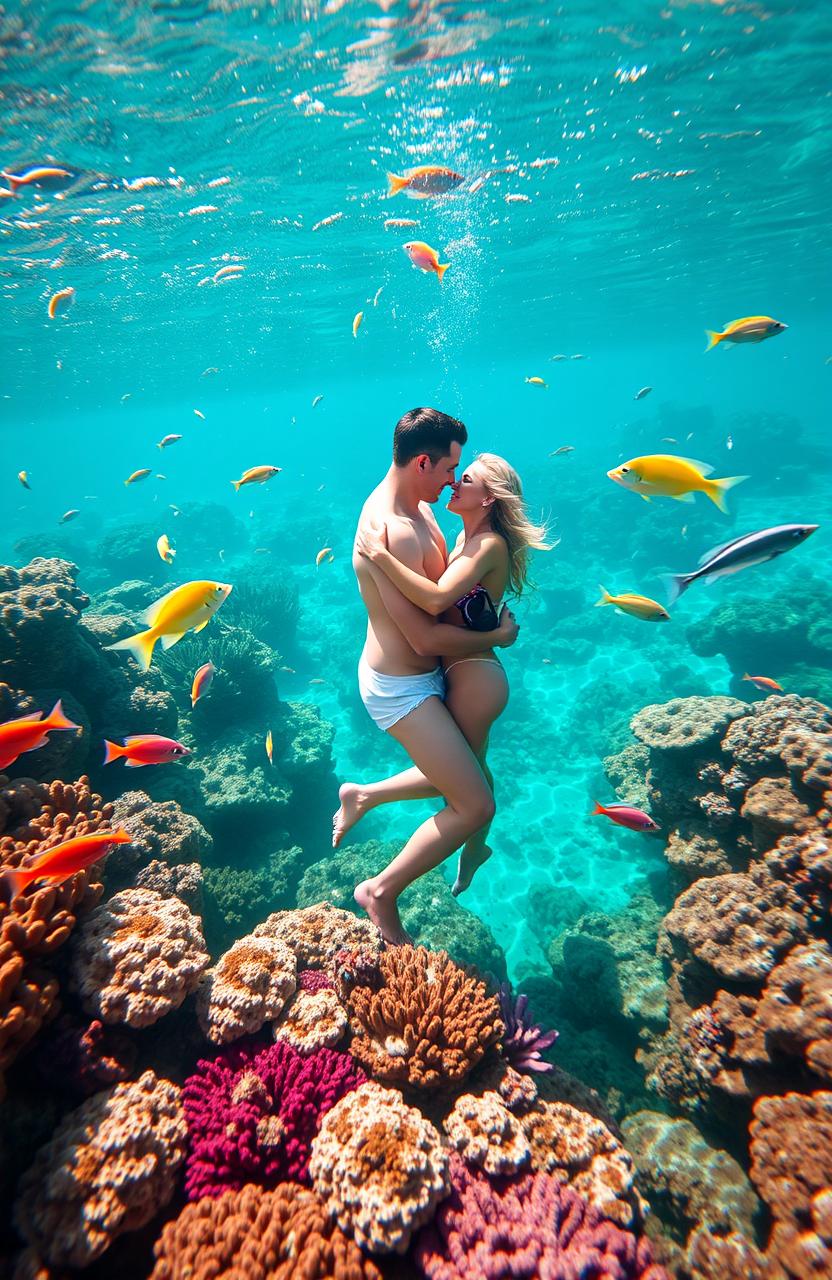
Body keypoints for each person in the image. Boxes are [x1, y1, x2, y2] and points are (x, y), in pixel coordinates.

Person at [335, 406, 522, 946]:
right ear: (424, 461)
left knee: (468, 777)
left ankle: (362, 796)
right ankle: (381, 891)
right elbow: (423, 637)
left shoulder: (421, 508)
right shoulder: (390, 530)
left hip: (433, 678)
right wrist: (494, 638)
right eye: (449, 469)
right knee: (475, 802)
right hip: (401, 688)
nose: (451, 481)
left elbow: (447, 600)